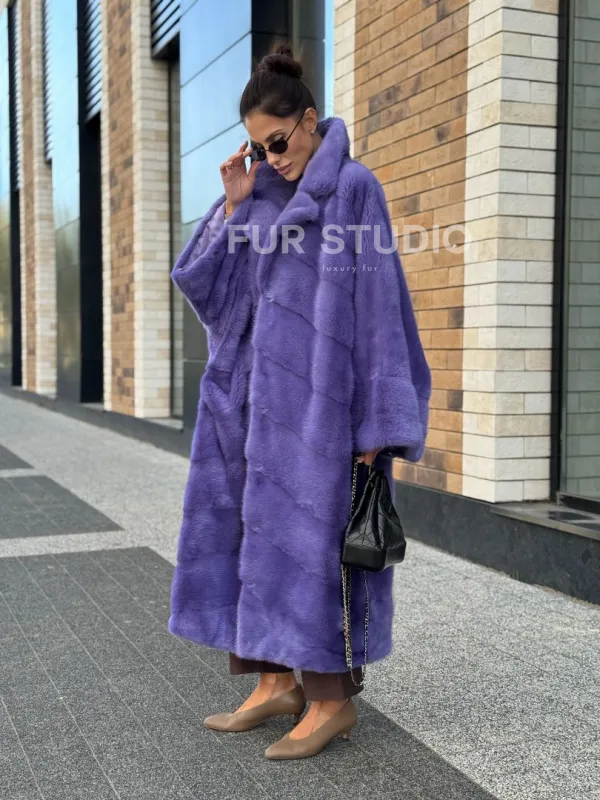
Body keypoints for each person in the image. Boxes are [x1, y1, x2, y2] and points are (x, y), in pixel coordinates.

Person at [168, 42, 431, 761]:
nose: (271, 157)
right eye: (258, 147)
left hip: (321, 409)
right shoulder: (259, 195)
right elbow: (212, 297)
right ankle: (273, 681)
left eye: (278, 141)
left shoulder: (354, 190)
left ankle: (330, 701)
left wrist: (378, 424)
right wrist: (233, 206)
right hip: (249, 404)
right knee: (249, 540)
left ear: (310, 121)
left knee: (316, 551)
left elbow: (381, 309)